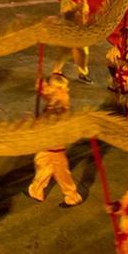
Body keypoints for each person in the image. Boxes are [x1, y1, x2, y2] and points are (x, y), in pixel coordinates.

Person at [28, 73, 83, 206]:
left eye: (50, 85)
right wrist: (40, 88)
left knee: (60, 171)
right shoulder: (58, 97)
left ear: (57, 88)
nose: (48, 87)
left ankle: (72, 196)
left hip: (54, 141)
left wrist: (36, 122)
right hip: (49, 141)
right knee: (42, 162)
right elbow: (47, 96)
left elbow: (50, 120)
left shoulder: (60, 104)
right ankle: (36, 190)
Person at [52, 0, 92, 83]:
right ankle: (56, 71)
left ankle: (82, 73)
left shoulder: (83, 0)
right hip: (70, 30)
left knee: (83, 53)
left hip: (81, 31)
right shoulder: (67, 0)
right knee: (65, 52)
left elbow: (86, 14)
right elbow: (66, 14)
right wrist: (76, 9)